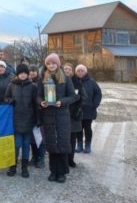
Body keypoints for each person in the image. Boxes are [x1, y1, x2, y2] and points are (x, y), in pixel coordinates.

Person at [37, 53, 78, 183]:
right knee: (51, 145)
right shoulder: (42, 79)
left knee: (62, 144)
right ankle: (53, 171)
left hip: (62, 116)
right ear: (46, 65)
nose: (51, 65)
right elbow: (37, 96)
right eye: (48, 63)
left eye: (53, 63)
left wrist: (62, 102)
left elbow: (73, 96)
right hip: (48, 116)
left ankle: (62, 172)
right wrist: (41, 102)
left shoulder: (66, 78)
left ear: (58, 64)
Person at [5, 64, 38, 178]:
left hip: (29, 119)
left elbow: (36, 103)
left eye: (25, 73)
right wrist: (10, 101)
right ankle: (13, 166)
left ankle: (24, 167)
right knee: (16, 144)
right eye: (20, 73)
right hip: (16, 119)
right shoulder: (12, 85)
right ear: (17, 74)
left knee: (26, 144)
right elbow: (6, 97)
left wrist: (36, 119)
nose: (23, 75)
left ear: (27, 74)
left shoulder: (33, 86)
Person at [75, 64, 102, 154]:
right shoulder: (73, 82)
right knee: (78, 128)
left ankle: (87, 145)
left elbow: (98, 93)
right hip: (76, 110)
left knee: (87, 128)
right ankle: (79, 145)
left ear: (85, 72)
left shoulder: (91, 82)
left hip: (89, 109)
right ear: (76, 72)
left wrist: (95, 104)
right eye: (78, 71)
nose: (80, 72)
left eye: (82, 70)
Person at [63, 63, 84, 167]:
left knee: (72, 138)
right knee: (64, 138)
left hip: (74, 115)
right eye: (65, 69)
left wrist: (78, 107)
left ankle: (71, 159)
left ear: (72, 71)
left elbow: (83, 97)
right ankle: (64, 159)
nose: (67, 70)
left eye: (69, 69)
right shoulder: (60, 81)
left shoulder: (77, 83)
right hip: (63, 113)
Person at [28, 64, 45, 168]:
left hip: (40, 112)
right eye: (31, 71)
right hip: (30, 113)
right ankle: (34, 157)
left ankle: (41, 158)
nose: (32, 72)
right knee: (32, 138)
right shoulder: (26, 83)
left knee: (41, 137)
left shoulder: (42, 82)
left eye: (34, 71)